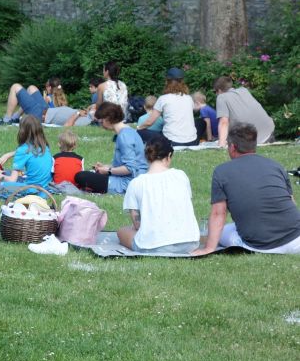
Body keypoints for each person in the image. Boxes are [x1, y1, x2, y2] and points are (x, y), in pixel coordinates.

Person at [192, 122, 300, 255]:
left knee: (222, 231)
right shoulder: (276, 166)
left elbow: (218, 214)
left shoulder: (222, 172)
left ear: (232, 147)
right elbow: (291, 202)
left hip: (259, 245)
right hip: (296, 240)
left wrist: (208, 248)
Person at [116, 139, 200, 254]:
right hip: (190, 242)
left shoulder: (136, 183)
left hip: (153, 246)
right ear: (169, 156)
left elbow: (137, 224)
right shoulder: (181, 176)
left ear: (147, 157)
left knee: (122, 231)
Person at [74, 102, 147, 194]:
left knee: (81, 176)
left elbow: (130, 168)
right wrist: (106, 166)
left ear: (108, 119)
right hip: (132, 178)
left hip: (128, 183)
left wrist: (108, 171)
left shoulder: (124, 137)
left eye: (101, 122)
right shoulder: (129, 131)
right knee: (91, 173)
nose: (101, 125)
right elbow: (129, 162)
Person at [137, 68, 198, 146]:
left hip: (171, 141)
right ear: (182, 82)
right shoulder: (189, 98)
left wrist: (139, 127)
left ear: (167, 82)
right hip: (192, 141)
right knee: (201, 122)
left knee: (141, 132)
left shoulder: (163, 99)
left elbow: (149, 122)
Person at [0, 115, 53, 190]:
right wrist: (9, 154)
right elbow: (29, 152)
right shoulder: (44, 146)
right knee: (7, 172)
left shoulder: (22, 150)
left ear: (22, 131)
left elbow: (12, 180)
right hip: (45, 187)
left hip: (31, 189)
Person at [213, 76, 274, 147]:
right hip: (270, 132)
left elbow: (224, 122)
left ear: (219, 90)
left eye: (215, 91)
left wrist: (221, 144)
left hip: (251, 139)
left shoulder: (221, 97)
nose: (216, 94)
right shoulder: (244, 90)